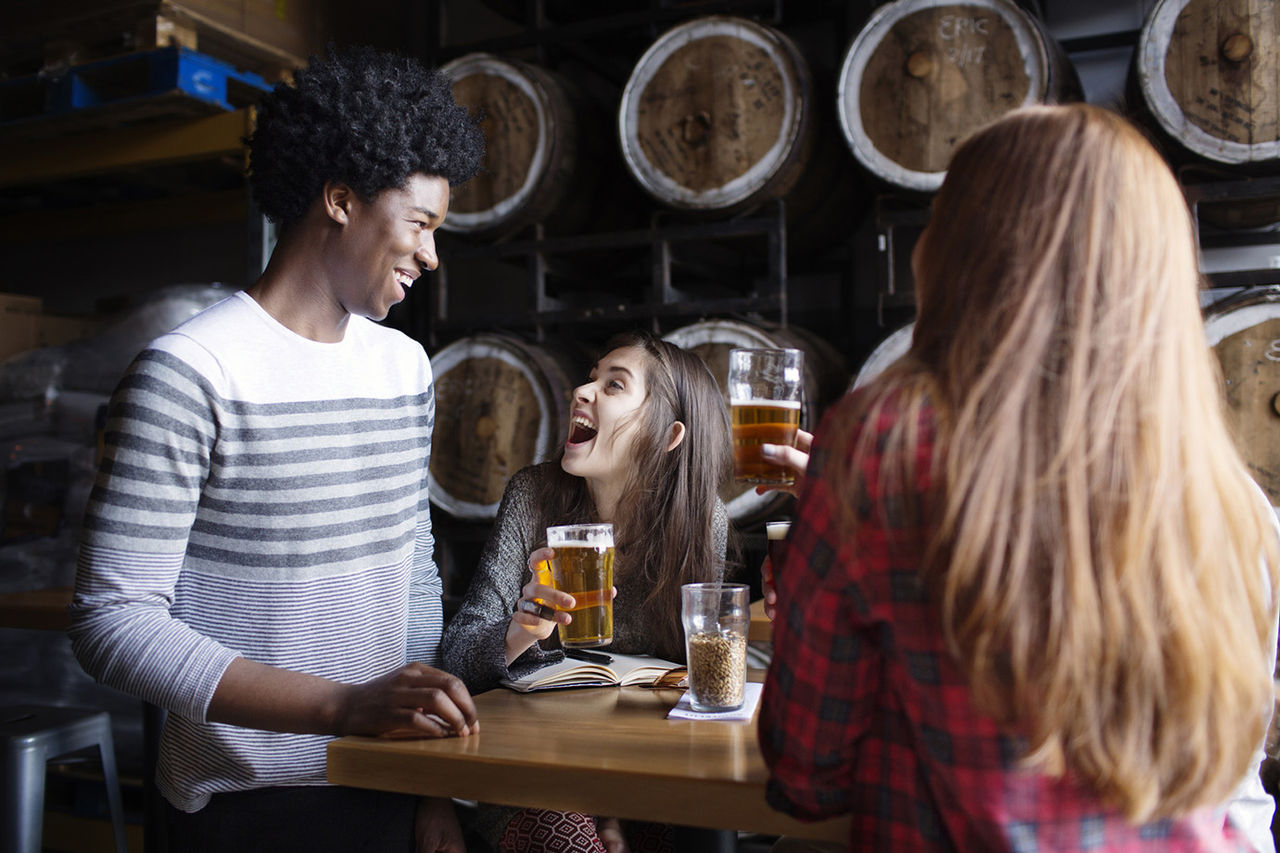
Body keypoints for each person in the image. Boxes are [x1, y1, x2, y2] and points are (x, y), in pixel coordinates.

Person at [759, 103, 1280, 851]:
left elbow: (807, 773)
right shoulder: (1232, 497)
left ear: (956, 253)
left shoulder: (881, 441)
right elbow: (1229, 775)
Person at [68, 46, 485, 852]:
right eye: (421, 224)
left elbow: (411, 569)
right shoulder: (191, 372)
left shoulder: (402, 367)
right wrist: (339, 704)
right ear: (339, 199)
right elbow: (111, 620)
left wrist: (435, 784)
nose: (432, 255)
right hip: (241, 810)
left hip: (387, 785)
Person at [441, 329, 733, 852]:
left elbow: (702, 677)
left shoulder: (702, 522)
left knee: (691, 835)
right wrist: (517, 633)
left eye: (614, 385)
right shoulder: (532, 495)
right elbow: (455, 660)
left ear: (668, 436)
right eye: (592, 377)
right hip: (533, 766)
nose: (583, 389)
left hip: (648, 770)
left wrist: (616, 803)